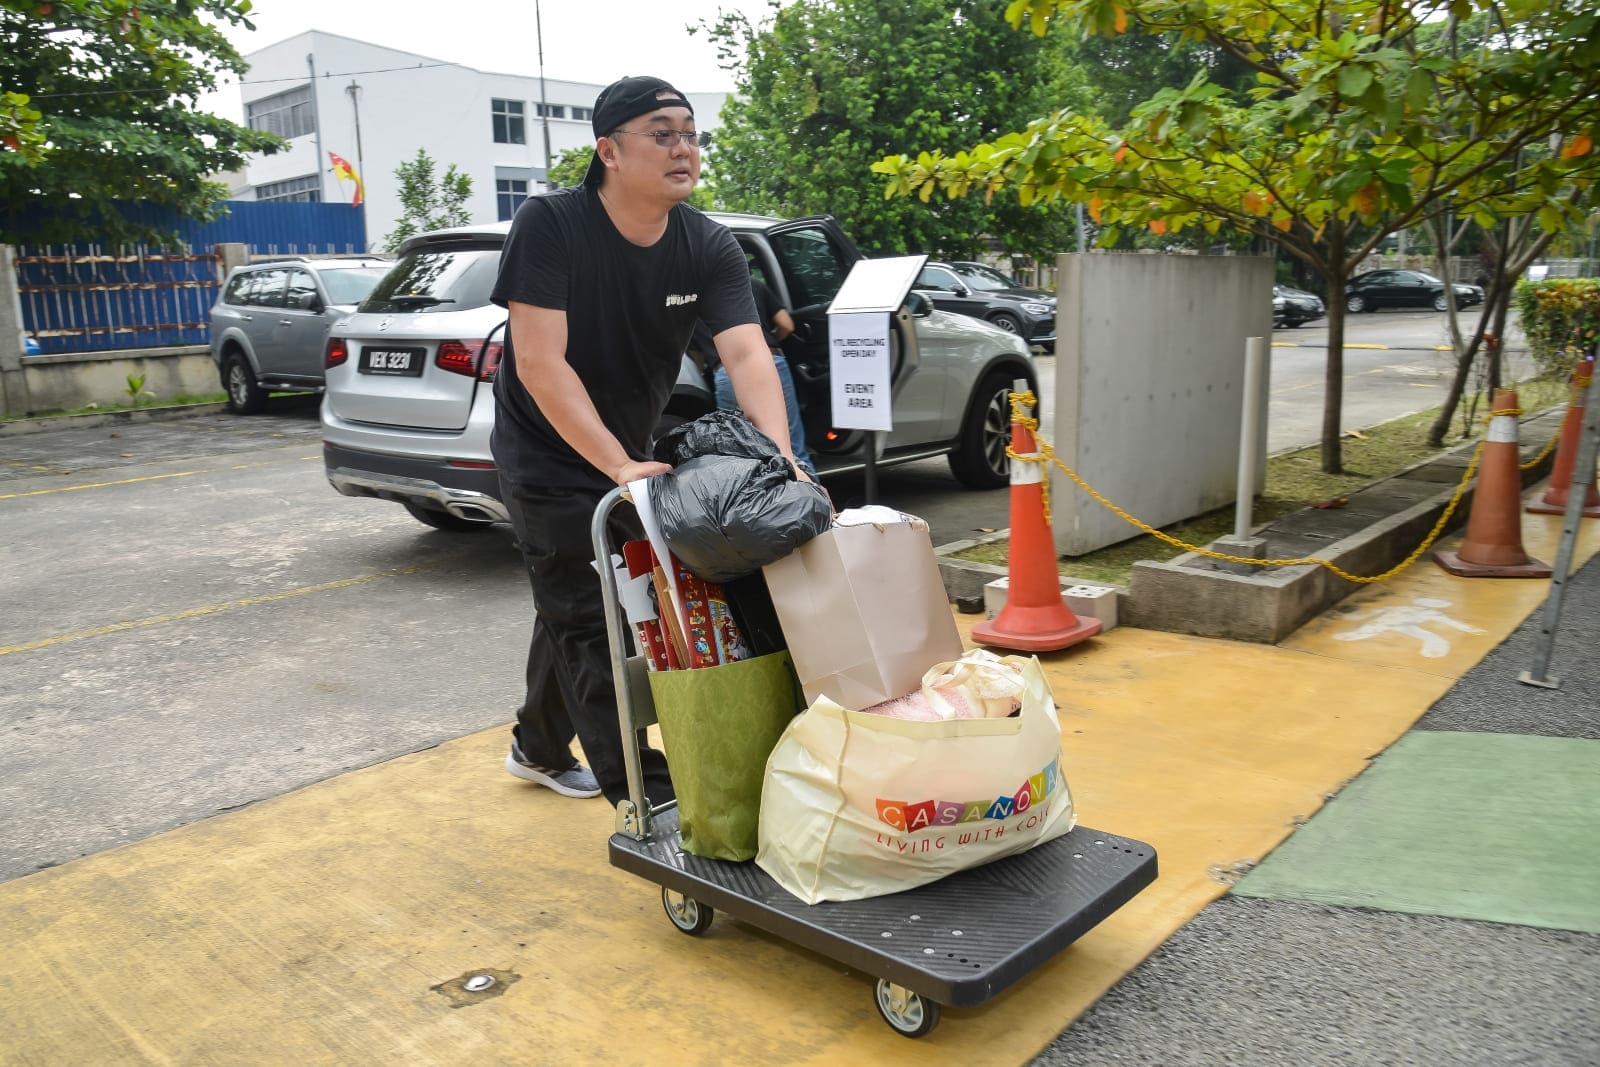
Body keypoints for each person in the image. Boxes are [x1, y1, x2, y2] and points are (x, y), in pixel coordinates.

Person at [490, 75, 806, 807]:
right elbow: (539, 361)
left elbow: (748, 353)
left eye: (691, 133)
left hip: (628, 447)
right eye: (663, 133)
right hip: (546, 448)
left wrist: (781, 456)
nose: (684, 148)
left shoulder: (706, 242)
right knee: (584, 615)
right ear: (609, 150)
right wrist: (616, 464)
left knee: (568, 598)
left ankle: (536, 744)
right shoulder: (553, 224)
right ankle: (651, 797)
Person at [710, 274, 817, 477]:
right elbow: (787, 325)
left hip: (724, 372)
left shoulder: (693, 296)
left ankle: (762, 506)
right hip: (768, 361)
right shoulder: (753, 284)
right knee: (792, 449)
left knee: (739, 455)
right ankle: (813, 504)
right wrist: (765, 342)